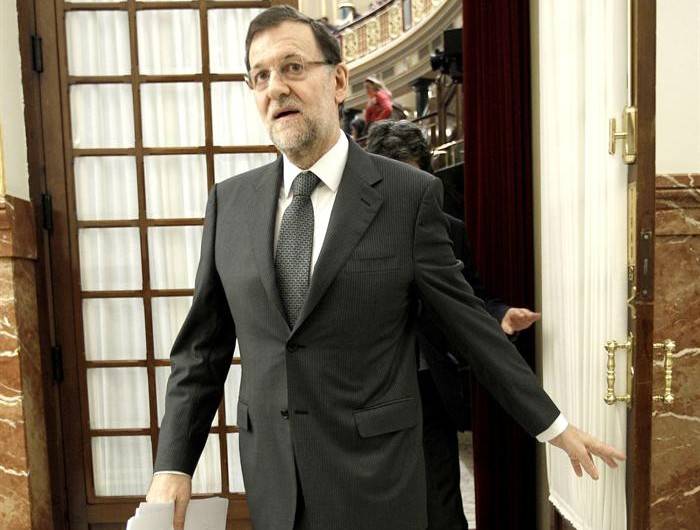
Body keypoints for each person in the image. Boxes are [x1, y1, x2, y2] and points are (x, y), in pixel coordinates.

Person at [147, 6, 625, 530]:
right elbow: (201, 351)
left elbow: (469, 326)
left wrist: (553, 426)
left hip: (376, 479)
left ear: (338, 80)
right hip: (275, 480)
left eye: (292, 67)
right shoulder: (230, 204)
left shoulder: (407, 196)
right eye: (260, 76)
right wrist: (173, 464)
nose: (276, 87)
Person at [366, 119, 542, 529]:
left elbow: (471, 297)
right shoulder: (344, 231)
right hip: (363, 388)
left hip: (427, 385)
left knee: (442, 506)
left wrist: (500, 316)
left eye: (413, 176)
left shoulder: (450, 230)